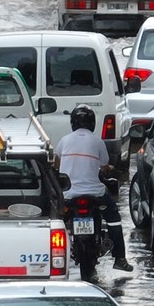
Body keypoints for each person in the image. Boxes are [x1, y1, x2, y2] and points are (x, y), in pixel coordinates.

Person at [51, 104, 133, 274]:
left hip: (69, 194)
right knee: (113, 218)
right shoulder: (97, 141)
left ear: (73, 122)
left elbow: (56, 163)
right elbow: (103, 164)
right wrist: (108, 168)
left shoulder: (64, 140)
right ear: (93, 123)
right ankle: (120, 258)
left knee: (55, 220)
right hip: (95, 193)